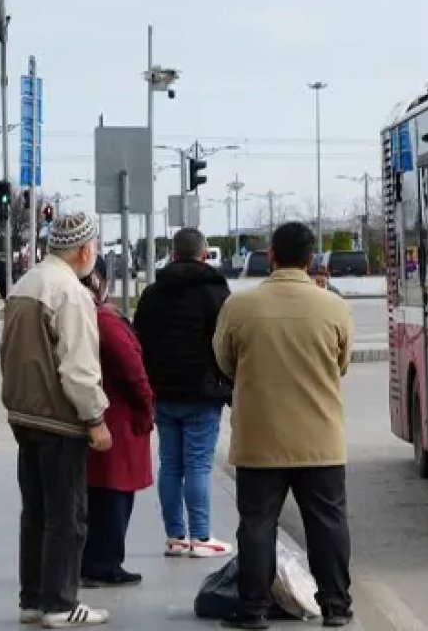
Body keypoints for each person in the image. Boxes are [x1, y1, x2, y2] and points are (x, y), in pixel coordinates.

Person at [213, 222, 356, 629]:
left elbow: (224, 361)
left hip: (261, 438)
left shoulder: (240, 307)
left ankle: (253, 609)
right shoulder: (333, 306)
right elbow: (341, 364)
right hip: (320, 438)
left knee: (257, 523)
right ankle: (336, 607)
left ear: (271, 256)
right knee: (328, 522)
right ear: (312, 260)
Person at [0, 212, 112, 628]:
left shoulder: (24, 284)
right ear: (85, 250)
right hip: (59, 419)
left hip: (23, 414)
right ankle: (61, 604)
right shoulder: (71, 292)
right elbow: (79, 367)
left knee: (36, 513)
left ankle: (33, 600)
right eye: (94, 247)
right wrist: (95, 418)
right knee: (68, 515)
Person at [133, 228, 234, 559]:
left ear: (173, 254)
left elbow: (139, 340)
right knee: (199, 465)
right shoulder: (216, 293)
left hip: (162, 390)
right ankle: (201, 537)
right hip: (202, 392)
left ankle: (175, 537)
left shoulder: (152, 294)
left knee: (170, 464)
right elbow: (226, 342)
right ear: (204, 254)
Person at [79, 260, 155, 588]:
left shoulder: (78, 316)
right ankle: (105, 562)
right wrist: (146, 403)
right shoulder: (105, 320)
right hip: (118, 418)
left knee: (98, 490)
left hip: (96, 414)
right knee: (115, 490)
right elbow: (133, 370)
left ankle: (95, 559)